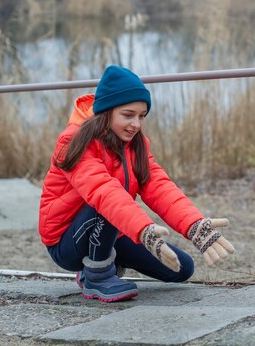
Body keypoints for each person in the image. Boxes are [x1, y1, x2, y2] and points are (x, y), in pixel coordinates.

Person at [38, 65, 235, 302]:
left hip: (113, 230)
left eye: (142, 116)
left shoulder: (135, 144)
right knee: (110, 198)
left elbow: (158, 186)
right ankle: (97, 276)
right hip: (67, 241)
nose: (137, 124)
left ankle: (106, 258)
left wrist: (193, 225)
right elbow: (103, 192)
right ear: (107, 112)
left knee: (182, 269)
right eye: (128, 115)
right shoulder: (74, 140)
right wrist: (143, 230)